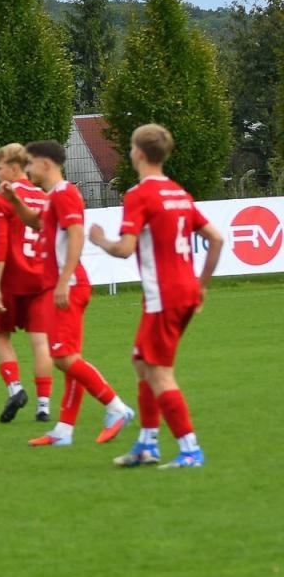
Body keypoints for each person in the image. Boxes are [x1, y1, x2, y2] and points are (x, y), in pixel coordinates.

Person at [88, 124, 225, 469]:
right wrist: (202, 284)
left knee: (160, 373)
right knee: (141, 362)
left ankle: (190, 449)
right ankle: (148, 444)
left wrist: (99, 240)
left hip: (164, 296)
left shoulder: (140, 195)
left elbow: (124, 249)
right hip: (184, 291)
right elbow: (217, 239)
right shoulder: (179, 193)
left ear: (137, 153)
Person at [2, 140, 134, 446]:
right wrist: (15, 201)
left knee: (62, 356)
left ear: (46, 164)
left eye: (30, 163)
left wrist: (64, 280)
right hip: (61, 285)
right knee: (69, 357)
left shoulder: (66, 195)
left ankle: (116, 407)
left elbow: (76, 235)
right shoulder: (53, 198)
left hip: (68, 286)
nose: (27, 170)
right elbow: (35, 222)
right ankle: (63, 431)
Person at [0, 144, 52, 423]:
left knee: (1, 335)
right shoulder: (44, 197)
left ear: (14, 168)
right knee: (40, 340)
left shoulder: (3, 196)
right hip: (40, 280)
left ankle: (15, 389)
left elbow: (1, 243)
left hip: (14, 280)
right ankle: (44, 406)